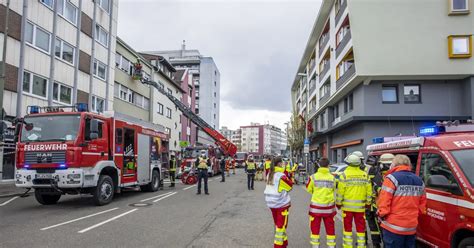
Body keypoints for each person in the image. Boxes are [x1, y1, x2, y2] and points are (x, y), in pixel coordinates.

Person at [377, 155, 426, 248]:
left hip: (393, 227)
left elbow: (384, 202)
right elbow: (422, 205)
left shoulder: (391, 179)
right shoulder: (419, 181)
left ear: (394, 164)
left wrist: (381, 215)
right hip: (411, 227)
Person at [336, 154, 372, 248]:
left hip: (347, 208)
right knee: (360, 228)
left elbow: (340, 192)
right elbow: (369, 192)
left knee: (347, 228)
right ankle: (361, 245)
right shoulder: (365, 175)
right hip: (360, 209)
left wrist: (338, 203)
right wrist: (368, 204)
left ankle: (348, 246)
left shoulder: (344, 175)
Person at [306, 157, 336, 248]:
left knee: (315, 229)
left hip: (316, 209)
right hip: (329, 209)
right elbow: (333, 189)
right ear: (328, 165)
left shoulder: (313, 177)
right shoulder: (332, 178)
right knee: (330, 230)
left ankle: (315, 246)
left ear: (319, 165)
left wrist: (316, 193)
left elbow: (308, 189)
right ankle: (331, 246)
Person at [366, 153, 394, 248]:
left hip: (378, 208)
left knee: (376, 228)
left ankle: (376, 244)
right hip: (387, 209)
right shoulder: (395, 176)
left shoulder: (376, 174)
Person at [264, 157, 293, 248]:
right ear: (280, 164)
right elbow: (290, 187)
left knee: (278, 224)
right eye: (282, 163)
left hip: (272, 204)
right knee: (281, 227)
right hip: (281, 204)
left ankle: (284, 243)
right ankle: (278, 246)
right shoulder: (281, 176)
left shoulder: (270, 174)